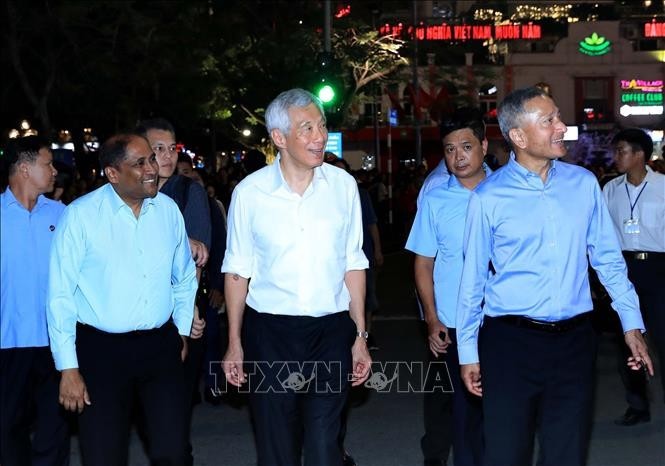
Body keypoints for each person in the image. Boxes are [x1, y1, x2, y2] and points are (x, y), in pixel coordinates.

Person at [456, 87, 653, 466]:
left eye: (559, 117)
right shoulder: (488, 197)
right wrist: (468, 351)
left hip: (575, 342)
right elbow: (472, 280)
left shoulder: (582, 184)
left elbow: (608, 260)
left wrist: (632, 324)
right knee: (506, 453)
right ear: (518, 136)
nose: (562, 127)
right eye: (549, 121)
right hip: (510, 342)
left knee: (567, 453)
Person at [221, 88, 372, 466]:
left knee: (324, 446)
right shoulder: (250, 193)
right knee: (277, 447)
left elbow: (353, 263)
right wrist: (234, 343)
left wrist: (360, 336)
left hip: (331, 331)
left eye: (321, 125)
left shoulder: (343, 187)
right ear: (279, 138)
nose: (319, 136)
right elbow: (238, 272)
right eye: (307, 128)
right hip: (270, 332)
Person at [46, 133, 198, 465]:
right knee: (104, 454)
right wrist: (68, 367)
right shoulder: (81, 216)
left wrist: (182, 331)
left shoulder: (168, 210)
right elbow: (59, 295)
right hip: (101, 353)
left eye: (153, 160)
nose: (152, 169)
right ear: (113, 173)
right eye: (140, 163)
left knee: (174, 452)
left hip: (160, 348)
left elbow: (184, 276)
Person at [406, 108, 488, 466]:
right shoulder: (436, 199)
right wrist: (432, 318)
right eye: (450, 149)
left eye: (466, 147)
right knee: (461, 408)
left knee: (502, 409)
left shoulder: (510, 191)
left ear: (484, 146)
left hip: (504, 319)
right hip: (455, 322)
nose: (458, 157)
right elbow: (423, 263)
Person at [135, 119, 210, 464]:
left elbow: (196, 257)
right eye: (157, 149)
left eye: (171, 148)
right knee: (145, 413)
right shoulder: (128, 191)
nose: (166, 156)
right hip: (135, 315)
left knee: (173, 414)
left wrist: (189, 310)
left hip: (175, 316)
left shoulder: (186, 191)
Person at [1, 136, 70, 466]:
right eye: (48, 163)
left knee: (54, 431)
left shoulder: (64, 215)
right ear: (25, 169)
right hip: (6, 343)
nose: (55, 171)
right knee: (7, 430)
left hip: (54, 343)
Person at [603, 127, 665, 426]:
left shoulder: (663, 187)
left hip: (659, 268)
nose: (616, 157)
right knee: (627, 339)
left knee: (663, 338)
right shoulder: (610, 189)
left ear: (640, 154)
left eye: (622, 151)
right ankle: (637, 405)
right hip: (623, 270)